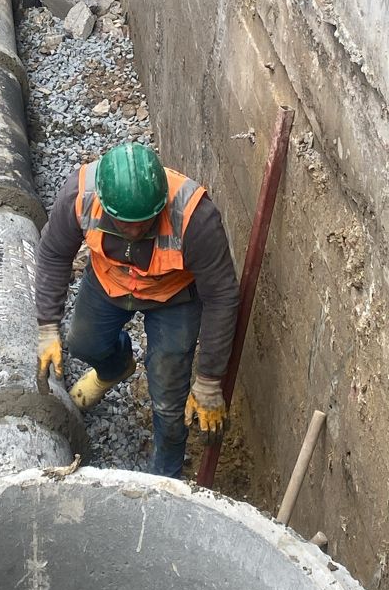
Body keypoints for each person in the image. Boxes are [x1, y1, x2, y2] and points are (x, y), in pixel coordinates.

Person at [35, 142, 239, 478]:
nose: (133, 231)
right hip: (109, 281)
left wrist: (208, 381)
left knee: (169, 402)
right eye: (123, 223)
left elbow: (222, 296)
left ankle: (165, 477)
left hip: (173, 297)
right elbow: (54, 254)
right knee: (83, 344)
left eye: (144, 223)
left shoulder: (195, 218)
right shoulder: (79, 195)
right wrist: (46, 328)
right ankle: (115, 367)